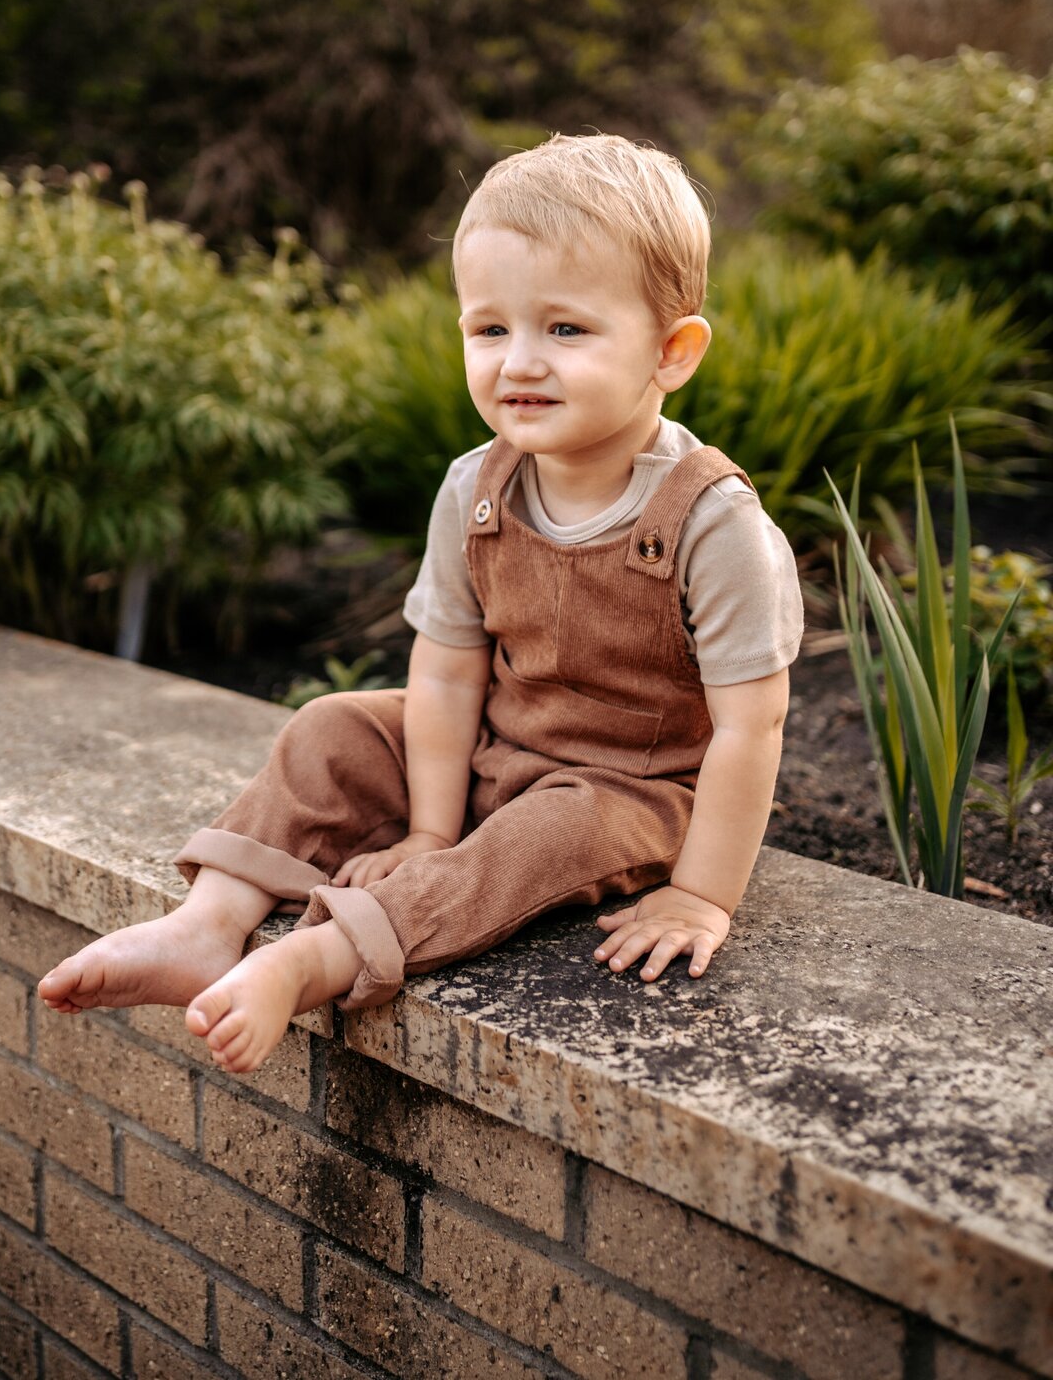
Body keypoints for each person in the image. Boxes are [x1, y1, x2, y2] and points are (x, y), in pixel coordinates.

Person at [39, 133, 803, 1074]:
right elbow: (445, 674)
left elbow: (750, 729)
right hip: (496, 746)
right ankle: (209, 920)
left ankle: (315, 959)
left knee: (543, 836)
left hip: (627, 789)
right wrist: (429, 827)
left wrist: (702, 897)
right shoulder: (474, 490)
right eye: (490, 329)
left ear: (673, 351)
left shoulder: (710, 523)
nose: (519, 362)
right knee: (333, 728)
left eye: (565, 330)